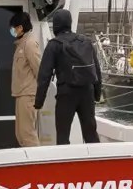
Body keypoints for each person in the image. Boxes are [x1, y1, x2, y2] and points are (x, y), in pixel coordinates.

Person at [35, 9, 101, 144]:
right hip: (87, 92)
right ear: (69, 23)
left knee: (63, 134)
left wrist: (39, 101)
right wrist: (97, 94)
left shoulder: (54, 45)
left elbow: (44, 75)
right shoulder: (86, 41)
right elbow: (97, 70)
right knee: (90, 132)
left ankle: (65, 163)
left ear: (56, 25)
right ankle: (95, 162)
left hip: (66, 94)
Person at [10, 11, 42, 147]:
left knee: (28, 134)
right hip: (21, 94)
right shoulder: (21, 44)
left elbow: (39, 70)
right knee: (21, 134)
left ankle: (37, 165)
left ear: (20, 28)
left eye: (13, 27)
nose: (11, 30)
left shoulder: (29, 44)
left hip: (28, 95)